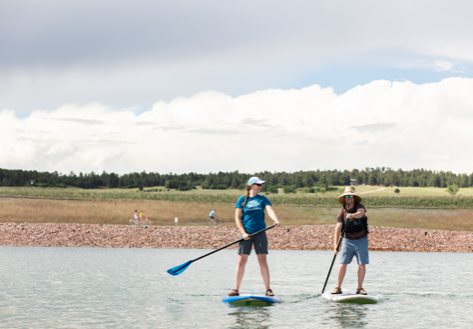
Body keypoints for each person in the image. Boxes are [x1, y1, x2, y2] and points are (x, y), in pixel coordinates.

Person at [228, 177, 281, 297]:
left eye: (261, 185)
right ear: (252, 185)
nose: (261, 187)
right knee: (241, 262)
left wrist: (276, 220)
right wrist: (244, 232)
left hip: (260, 232)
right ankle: (235, 289)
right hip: (246, 233)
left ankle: (268, 290)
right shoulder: (242, 199)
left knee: (263, 261)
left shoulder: (263, 199)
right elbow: (237, 218)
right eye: (258, 184)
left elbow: (270, 211)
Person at [332, 186, 369, 295]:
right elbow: (338, 229)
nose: (349, 198)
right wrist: (335, 246)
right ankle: (338, 287)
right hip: (347, 240)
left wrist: (352, 215)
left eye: (351, 196)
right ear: (344, 199)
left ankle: (360, 288)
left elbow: (361, 213)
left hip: (361, 239)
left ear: (353, 198)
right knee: (343, 263)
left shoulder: (359, 206)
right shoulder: (342, 211)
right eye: (347, 196)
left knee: (362, 264)